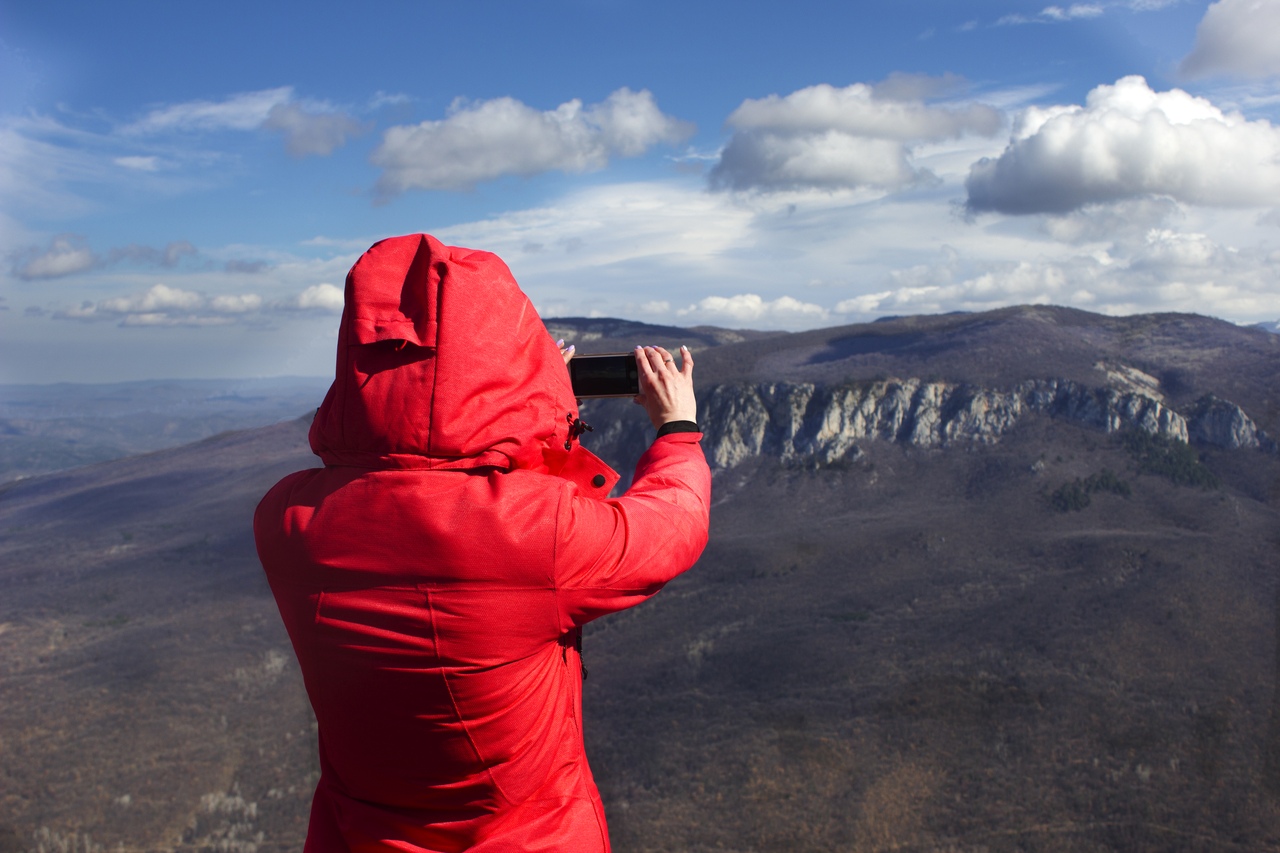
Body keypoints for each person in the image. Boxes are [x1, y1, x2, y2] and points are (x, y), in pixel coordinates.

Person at [253, 233, 711, 852]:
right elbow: (670, 527)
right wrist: (674, 429)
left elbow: (450, 505)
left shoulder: (286, 518)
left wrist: (520, 413)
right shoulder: (534, 535)